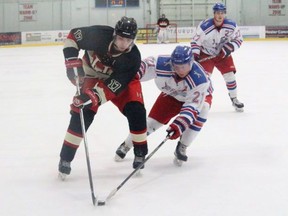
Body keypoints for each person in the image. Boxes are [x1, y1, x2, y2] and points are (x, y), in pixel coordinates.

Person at [58, 16, 148, 178]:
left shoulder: (132, 58)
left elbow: (113, 87)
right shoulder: (99, 34)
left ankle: (140, 151)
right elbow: (73, 36)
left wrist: (92, 96)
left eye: (128, 40)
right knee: (82, 113)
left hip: (119, 82)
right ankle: (65, 158)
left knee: (136, 110)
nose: (123, 44)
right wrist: (71, 60)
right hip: (91, 75)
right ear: (114, 34)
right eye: (120, 38)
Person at [115, 46, 213, 166]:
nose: (180, 71)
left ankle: (183, 145)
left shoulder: (200, 80)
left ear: (191, 62)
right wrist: (129, 76)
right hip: (172, 94)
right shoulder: (161, 63)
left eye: (184, 67)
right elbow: (142, 66)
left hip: (198, 98)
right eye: (177, 67)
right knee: (150, 123)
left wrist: (180, 124)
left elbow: (193, 105)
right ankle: (126, 145)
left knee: (203, 109)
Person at [190, 2, 244, 112]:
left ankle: (234, 98)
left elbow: (239, 39)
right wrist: (195, 54)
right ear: (214, 13)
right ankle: (202, 101)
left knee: (230, 76)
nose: (220, 15)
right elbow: (195, 41)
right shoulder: (204, 27)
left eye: (222, 13)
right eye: (218, 13)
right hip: (206, 54)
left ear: (225, 14)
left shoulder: (231, 26)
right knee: (204, 79)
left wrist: (229, 47)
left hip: (223, 54)